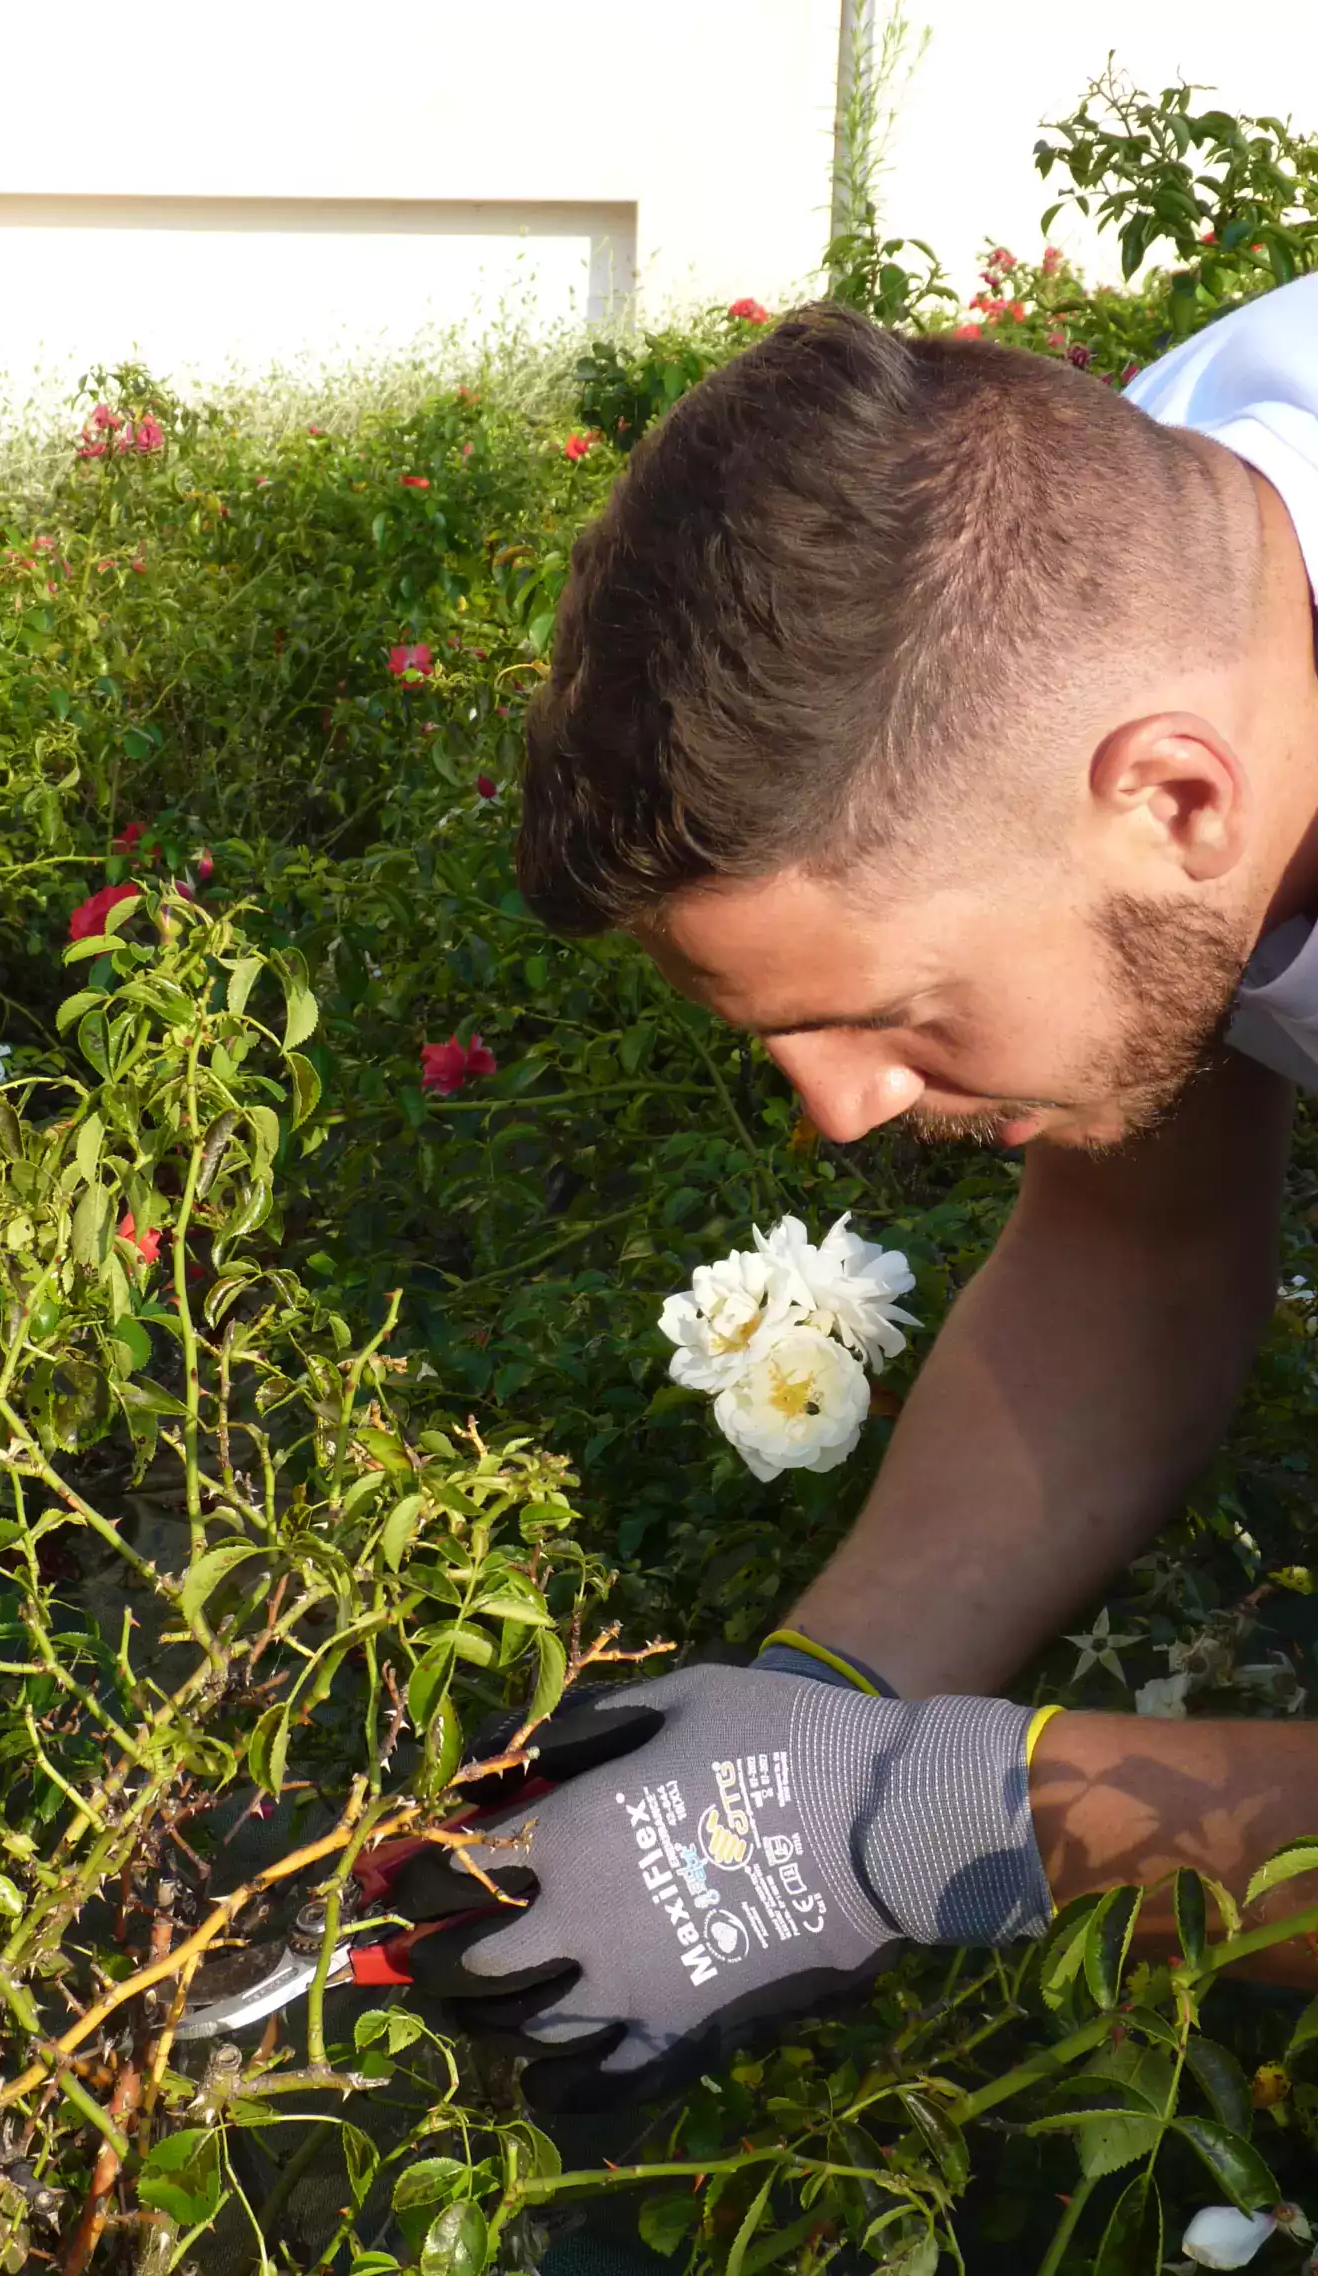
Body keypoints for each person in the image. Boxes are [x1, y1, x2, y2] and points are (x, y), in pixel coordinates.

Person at [396, 276, 1318, 2113]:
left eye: (893, 1012)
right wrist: (813, 1717)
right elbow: (1137, 1242)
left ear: (1177, 801)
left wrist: (917, 1821)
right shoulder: (1135, 561)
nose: (837, 1111)